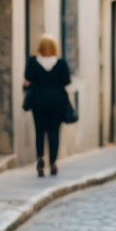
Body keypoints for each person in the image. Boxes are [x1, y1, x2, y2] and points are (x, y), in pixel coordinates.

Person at [23, 34, 71, 177]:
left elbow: (28, 78)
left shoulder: (32, 62)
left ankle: (40, 159)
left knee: (39, 130)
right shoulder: (61, 63)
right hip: (57, 101)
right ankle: (53, 162)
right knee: (54, 132)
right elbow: (66, 80)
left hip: (38, 100)